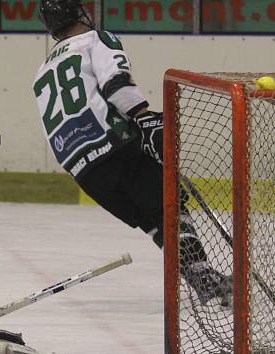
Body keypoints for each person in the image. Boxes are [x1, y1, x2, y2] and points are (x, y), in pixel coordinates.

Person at [33, 0, 231, 306]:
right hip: (115, 147)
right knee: (169, 208)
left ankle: (199, 277)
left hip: (83, 171)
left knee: (152, 221)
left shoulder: (43, 69)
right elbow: (116, 84)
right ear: (78, 14)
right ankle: (202, 275)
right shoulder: (96, 39)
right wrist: (144, 118)